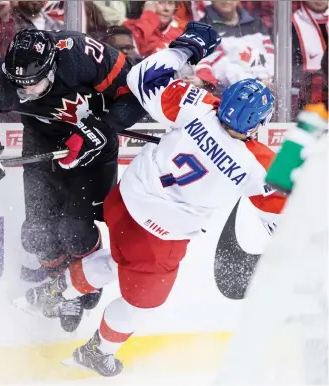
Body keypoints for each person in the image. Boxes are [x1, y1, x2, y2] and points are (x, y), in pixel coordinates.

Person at [33, 22, 288, 377]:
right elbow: (285, 215)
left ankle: (52, 293)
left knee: (116, 260)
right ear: (257, 123)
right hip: (159, 234)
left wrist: (183, 49)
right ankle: (96, 353)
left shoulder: (198, 103)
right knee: (139, 304)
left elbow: (141, 78)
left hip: (124, 201)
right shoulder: (258, 163)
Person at [0, 29, 146, 332]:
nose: (24, 94)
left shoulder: (80, 54)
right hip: (42, 142)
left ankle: (81, 282)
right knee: (37, 235)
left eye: (34, 85)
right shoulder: (4, 76)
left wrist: (103, 128)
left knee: (75, 230)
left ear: (52, 66)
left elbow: (135, 94)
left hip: (94, 143)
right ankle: (60, 285)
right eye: (18, 87)